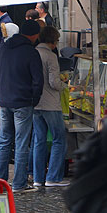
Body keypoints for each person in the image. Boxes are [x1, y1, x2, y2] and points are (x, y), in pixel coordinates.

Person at [0, 20, 44, 193]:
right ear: (34, 35)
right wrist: (34, 99)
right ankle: (19, 183)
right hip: (23, 102)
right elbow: (38, 80)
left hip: (6, 100)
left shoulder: (4, 48)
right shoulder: (31, 52)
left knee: (5, 141)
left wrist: (1, 93)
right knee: (21, 143)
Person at [32, 27, 68, 187]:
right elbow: (54, 82)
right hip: (51, 104)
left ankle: (38, 178)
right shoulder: (51, 56)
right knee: (59, 139)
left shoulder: (33, 53)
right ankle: (53, 177)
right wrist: (64, 85)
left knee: (39, 140)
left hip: (35, 102)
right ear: (53, 41)